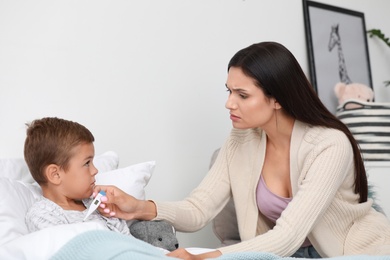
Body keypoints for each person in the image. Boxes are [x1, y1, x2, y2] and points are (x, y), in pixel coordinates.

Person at [94, 42, 390, 259]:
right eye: (229, 91)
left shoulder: (329, 144)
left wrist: (210, 257)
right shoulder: (242, 138)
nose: (229, 103)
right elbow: (199, 209)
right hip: (283, 254)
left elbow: (287, 236)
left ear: (277, 99)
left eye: (242, 94)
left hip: (355, 252)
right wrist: (141, 207)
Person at [24, 117, 131, 236]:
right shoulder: (43, 215)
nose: (95, 170)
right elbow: (66, 251)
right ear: (55, 174)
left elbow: (128, 241)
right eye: (87, 163)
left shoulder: (97, 205)